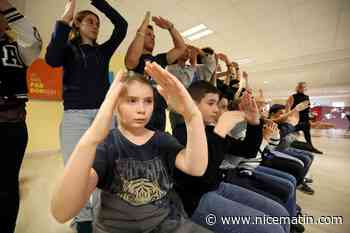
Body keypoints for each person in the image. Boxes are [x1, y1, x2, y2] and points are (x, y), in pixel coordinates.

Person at [51, 63, 213, 233]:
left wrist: (192, 115)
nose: (142, 109)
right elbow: (62, 212)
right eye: (132, 101)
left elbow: (196, 168)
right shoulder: (107, 146)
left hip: (167, 224)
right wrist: (91, 139)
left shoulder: (162, 140)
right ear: (115, 106)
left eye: (148, 101)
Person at [45, 0, 128, 231]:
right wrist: (65, 18)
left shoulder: (103, 51)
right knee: (76, 170)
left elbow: (121, 26)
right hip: (75, 116)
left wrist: (98, 3)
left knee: (106, 168)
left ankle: (102, 215)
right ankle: (83, 219)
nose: (95, 26)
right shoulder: (68, 49)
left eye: (97, 23)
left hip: (103, 116)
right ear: (78, 25)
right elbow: (51, 59)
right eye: (90, 21)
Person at [173, 82, 290, 233]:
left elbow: (248, 151)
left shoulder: (211, 130)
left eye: (219, 104)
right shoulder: (181, 132)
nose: (216, 110)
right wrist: (220, 131)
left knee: (281, 214)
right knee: (272, 229)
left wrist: (254, 122)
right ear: (193, 104)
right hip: (196, 200)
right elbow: (203, 176)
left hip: (218, 186)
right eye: (211, 103)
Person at [0, 0, 42, 232]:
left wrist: (6, 5)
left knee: (7, 185)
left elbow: (35, 40)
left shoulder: (19, 48)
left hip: (12, 126)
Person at [125, 12, 186, 131]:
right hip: (139, 113)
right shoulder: (135, 60)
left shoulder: (159, 59)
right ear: (141, 36)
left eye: (153, 36)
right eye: (149, 34)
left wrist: (170, 28)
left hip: (159, 114)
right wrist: (143, 27)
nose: (152, 37)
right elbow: (131, 59)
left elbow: (181, 48)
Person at [286, 82, 323, 154]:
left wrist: (309, 119)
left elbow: (307, 109)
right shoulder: (292, 96)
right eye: (300, 87)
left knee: (307, 136)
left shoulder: (307, 97)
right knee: (289, 135)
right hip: (296, 120)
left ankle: (311, 147)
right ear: (297, 88)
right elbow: (287, 108)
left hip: (305, 120)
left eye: (303, 87)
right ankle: (287, 147)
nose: (302, 88)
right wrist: (289, 119)